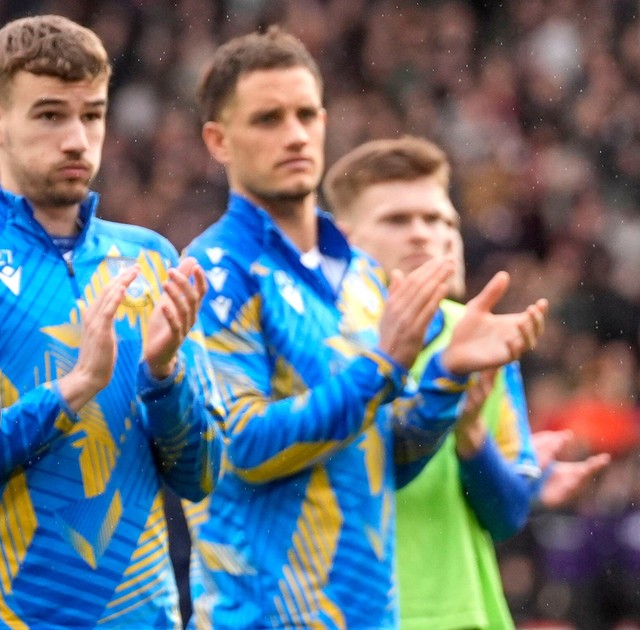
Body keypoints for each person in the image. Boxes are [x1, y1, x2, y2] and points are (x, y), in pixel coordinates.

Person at [182, 28, 548, 628]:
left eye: (306, 115)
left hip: (370, 614)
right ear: (218, 140)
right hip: (264, 617)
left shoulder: (360, 275)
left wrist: (444, 378)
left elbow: (383, 460)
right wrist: (384, 365)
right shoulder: (215, 271)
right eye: (268, 119)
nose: (295, 135)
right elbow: (241, 445)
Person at [0, 15, 224, 628]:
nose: (78, 139)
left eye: (93, 115)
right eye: (51, 115)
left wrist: (165, 376)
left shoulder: (151, 258)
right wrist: (72, 391)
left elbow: (201, 475)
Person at [324, 135, 611, 630]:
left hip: (468, 613)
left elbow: (506, 517)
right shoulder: (321, 336)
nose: (424, 234)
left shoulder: (480, 336)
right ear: (344, 240)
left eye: (440, 220)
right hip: (352, 614)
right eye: (397, 220)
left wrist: (474, 438)